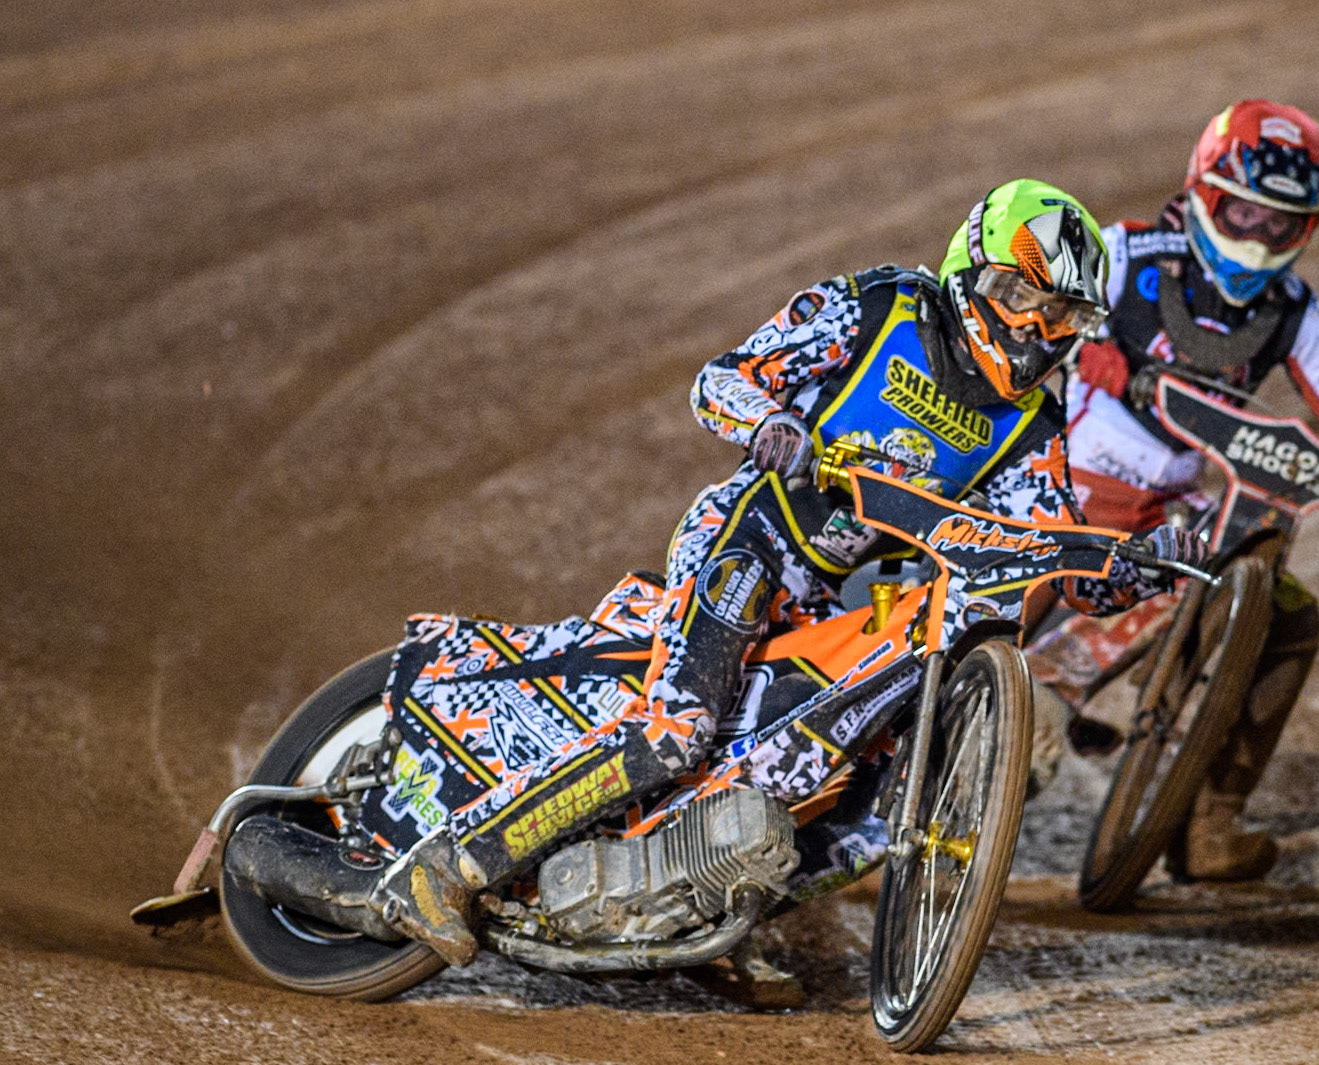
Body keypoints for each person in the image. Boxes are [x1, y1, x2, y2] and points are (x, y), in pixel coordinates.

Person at [369, 179, 1202, 964]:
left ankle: (698, 920)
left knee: (856, 802)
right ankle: (447, 866)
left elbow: (1045, 541)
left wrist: (1144, 566)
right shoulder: (878, 308)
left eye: (1059, 312)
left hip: (838, 603)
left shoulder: (1032, 422)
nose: (1032, 326)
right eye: (1020, 295)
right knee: (679, 729)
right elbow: (720, 379)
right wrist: (770, 425)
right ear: (969, 269)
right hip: (750, 539)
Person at [1030, 101, 1319, 882]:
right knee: (982, 605)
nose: (1257, 237)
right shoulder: (1127, 249)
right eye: (1243, 212)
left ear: (1306, 228)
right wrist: (1086, 345)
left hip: (1172, 509)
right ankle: (865, 756)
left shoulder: (1291, 311)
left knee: (1289, 616)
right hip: (1053, 481)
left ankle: (1208, 823)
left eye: (1281, 224)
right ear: (1202, 189)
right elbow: (1031, 306)